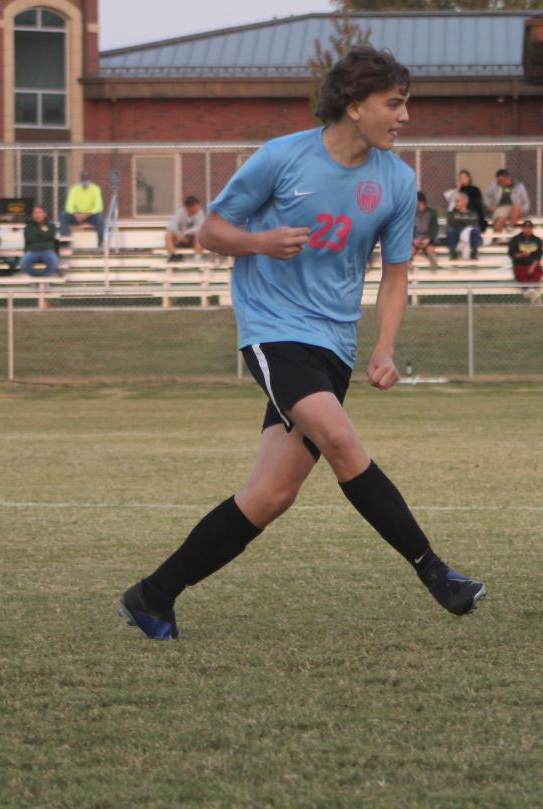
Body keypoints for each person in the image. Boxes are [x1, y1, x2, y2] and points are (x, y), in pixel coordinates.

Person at [117, 45, 485, 641]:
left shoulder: (397, 179)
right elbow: (212, 229)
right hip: (273, 331)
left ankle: (153, 594)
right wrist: (261, 242)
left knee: (270, 496)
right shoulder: (282, 158)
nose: (405, 116)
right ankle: (436, 573)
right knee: (340, 438)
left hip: (333, 345)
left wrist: (384, 347)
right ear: (354, 103)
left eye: (406, 104)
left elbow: (396, 273)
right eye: (394, 104)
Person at [60, 170, 105, 247]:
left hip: (90, 216)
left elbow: (99, 207)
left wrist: (86, 215)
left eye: (86, 179)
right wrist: (75, 214)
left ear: (90, 179)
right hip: (77, 216)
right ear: (80, 180)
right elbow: (69, 206)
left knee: (100, 217)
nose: (85, 181)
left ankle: (101, 241)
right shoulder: (74, 189)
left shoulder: (96, 189)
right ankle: (65, 242)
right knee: (64, 215)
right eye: (84, 179)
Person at [507, 218, 543, 301]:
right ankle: (532, 293)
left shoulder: (536, 240)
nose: (528, 230)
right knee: (522, 274)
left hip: (533, 265)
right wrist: (521, 254)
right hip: (520, 265)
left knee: (537, 273)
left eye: (530, 228)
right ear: (523, 229)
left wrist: (533, 266)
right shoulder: (515, 239)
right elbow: (512, 254)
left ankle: (530, 292)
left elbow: (539, 255)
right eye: (526, 228)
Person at [484, 168, 529, 234]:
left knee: (516, 206)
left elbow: (525, 201)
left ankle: (510, 228)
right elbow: (486, 195)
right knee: (501, 219)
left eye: (501, 180)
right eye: (498, 181)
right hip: (501, 208)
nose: (500, 183)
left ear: (507, 178)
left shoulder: (519, 186)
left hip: (515, 210)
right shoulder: (495, 185)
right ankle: (496, 238)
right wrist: (490, 206)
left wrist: (524, 211)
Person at [19, 205, 61, 277]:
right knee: (23, 263)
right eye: (35, 213)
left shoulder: (51, 226)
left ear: (44, 214)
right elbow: (30, 238)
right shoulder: (29, 226)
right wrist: (43, 235)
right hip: (32, 251)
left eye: (39, 212)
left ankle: (43, 276)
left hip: (48, 250)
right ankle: (38, 276)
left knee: (54, 262)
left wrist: (36, 234)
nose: (37, 215)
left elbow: (50, 236)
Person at [165, 195, 206, 262]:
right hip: (179, 239)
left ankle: (197, 259)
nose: (198, 208)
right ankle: (173, 256)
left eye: (198, 206)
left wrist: (185, 233)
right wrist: (178, 234)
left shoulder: (200, 212)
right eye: (196, 206)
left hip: (192, 239)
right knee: (168, 235)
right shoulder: (180, 212)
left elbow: (200, 226)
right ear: (188, 207)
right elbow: (172, 225)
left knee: (199, 234)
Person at [444, 169, 486, 234]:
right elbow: (450, 200)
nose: (462, 179)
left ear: (469, 178)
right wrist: (457, 189)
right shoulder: (457, 191)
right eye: (460, 178)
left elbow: (476, 204)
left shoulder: (474, 189)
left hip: (472, 215)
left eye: (464, 177)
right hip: (459, 216)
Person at [443, 189, 481, 260]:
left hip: (469, 235)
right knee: (450, 230)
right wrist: (465, 223)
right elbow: (452, 222)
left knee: (476, 229)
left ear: (464, 202)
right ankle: (453, 253)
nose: (455, 203)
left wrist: (461, 222)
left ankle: (474, 253)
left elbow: (473, 223)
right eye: (455, 201)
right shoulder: (452, 213)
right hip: (456, 234)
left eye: (457, 201)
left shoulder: (473, 213)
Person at [411, 191, 439, 268]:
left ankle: (433, 272)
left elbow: (434, 228)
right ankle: (408, 271)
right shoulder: (411, 213)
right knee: (409, 252)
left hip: (427, 239)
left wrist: (428, 239)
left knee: (431, 251)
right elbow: (408, 228)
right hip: (415, 239)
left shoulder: (431, 213)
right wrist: (413, 239)